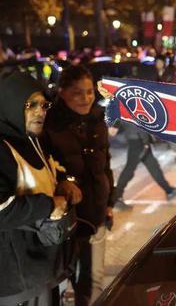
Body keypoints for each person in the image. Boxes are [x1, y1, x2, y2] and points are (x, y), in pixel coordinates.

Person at [0, 72, 82, 305]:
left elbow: (52, 169)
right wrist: (48, 205)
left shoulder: (34, 139)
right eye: (31, 105)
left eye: (44, 105)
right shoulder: (3, 149)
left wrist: (66, 182)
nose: (40, 111)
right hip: (18, 280)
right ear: (11, 103)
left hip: (45, 267)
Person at [45, 65, 114, 305]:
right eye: (77, 93)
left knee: (93, 280)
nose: (85, 98)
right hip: (65, 217)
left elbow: (105, 164)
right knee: (62, 280)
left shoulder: (98, 119)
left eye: (89, 91)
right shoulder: (49, 125)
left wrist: (110, 202)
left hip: (96, 212)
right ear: (62, 92)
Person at [112, 122, 176, 210]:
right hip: (138, 140)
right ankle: (116, 198)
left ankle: (169, 191)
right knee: (129, 169)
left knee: (153, 166)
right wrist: (144, 140)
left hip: (138, 138)